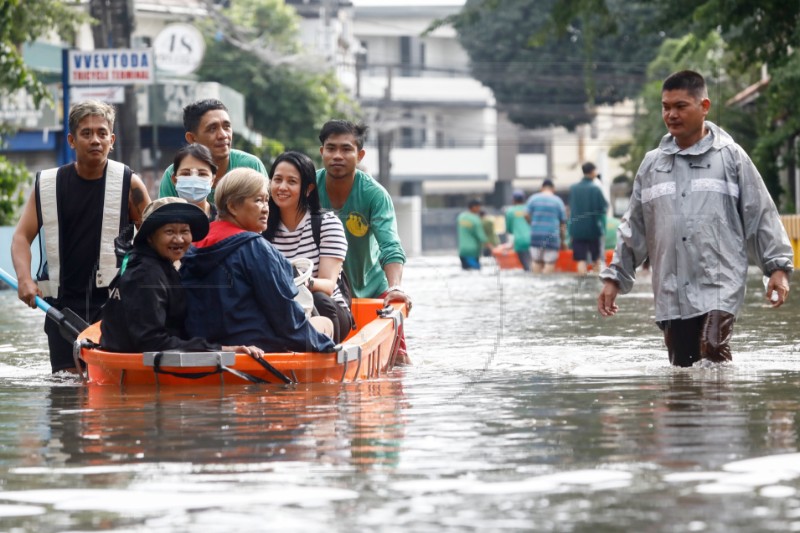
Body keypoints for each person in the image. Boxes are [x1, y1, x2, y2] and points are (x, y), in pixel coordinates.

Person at [597, 69, 794, 367]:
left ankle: (721, 408)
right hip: (671, 287)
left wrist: (777, 267)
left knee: (713, 347)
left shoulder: (731, 157)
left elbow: (760, 213)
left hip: (719, 280)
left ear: (704, 107)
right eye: (666, 107)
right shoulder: (652, 165)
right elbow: (634, 227)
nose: (671, 114)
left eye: (680, 106)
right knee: (682, 367)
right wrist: (615, 279)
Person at [11, 100, 152, 373]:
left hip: (114, 304)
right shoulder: (48, 184)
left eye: (101, 133)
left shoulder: (129, 183)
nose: (95, 140)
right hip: (61, 306)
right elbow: (21, 238)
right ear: (72, 140)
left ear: (112, 140)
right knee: (66, 389)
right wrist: (24, 279)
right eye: (86, 133)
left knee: (110, 385)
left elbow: (153, 239)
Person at [181, 168, 335, 353]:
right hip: (256, 348)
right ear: (232, 206)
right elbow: (285, 317)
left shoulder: (194, 244)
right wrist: (325, 345)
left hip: (208, 347)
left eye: (266, 200)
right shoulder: (255, 247)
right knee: (325, 323)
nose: (266, 208)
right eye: (258, 200)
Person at [100, 197, 263, 357]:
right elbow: (151, 343)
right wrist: (222, 350)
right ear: (150, 237)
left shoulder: (157, 264)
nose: (179, 239)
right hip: (138, 369)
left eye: (184, 231)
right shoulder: (145, 275)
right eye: (169, 231)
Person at [316, 119, 411, 363]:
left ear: (359, 154)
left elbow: (390, 245)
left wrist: (395, 287)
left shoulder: (374, 194)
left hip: (371, 289)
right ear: (321, 152)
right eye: (331, 148)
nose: (337, 155)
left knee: (399, 361)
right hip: (326, 292)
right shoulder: (307, 188)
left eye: (346, 149)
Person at [263, 151, 354, 344]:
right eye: (277, 180)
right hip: (284, 309)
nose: (282, 187)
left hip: (328, 310)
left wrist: (300, 282)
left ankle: (325, 353)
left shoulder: (327, 224)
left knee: (320, 298)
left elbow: (328, 286)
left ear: (308, 189)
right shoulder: (262, 229)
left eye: (292, 182)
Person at [159, 99, 267, 204]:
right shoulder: (175, 174)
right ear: (192, 138)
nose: (223, 135)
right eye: (212, 129)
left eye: (227, 127)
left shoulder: (250, 166)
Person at [569, 162, 609, 274]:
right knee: (596, 259)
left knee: (581, 260)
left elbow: (571, 208)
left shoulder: (573, 188)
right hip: (593, 229)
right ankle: (596, 284)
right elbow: (604, 208)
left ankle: (580, 286)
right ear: (592, 172)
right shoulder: (596, 188)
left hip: (576, 229)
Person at [525, 179, 567, 274]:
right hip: (552, 236)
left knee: (536, 261)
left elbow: (526, 215)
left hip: (536, 235)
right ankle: (547, 284)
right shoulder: (558, 201)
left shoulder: (533, 199)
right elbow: (563, 223)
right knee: (550, 262)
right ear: (553, 189)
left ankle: (536, 284)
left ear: (541, 188)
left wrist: (532, 224)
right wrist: (563, 240)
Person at [169, 143, 217, 220]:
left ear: (212, 180)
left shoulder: (222, 219)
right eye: (186, 173)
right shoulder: (165, 219)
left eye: (202, 174)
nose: (194, 179)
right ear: (174, 180)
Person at [503, 189, 533, 270]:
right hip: (534, 240)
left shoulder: (510, 211)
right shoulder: (529, 209)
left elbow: (509, 230)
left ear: (513, 200)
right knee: (535, 265)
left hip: (520, 241)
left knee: (527, 267)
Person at [457, 198, 488, 270]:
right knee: (476, 271)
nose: (479, 209)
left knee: (466, 272)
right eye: (478, 207)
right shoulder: (475, 219)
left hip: (462, 250)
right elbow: (481, 237)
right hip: (473, 251)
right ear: (473, 207)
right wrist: (492, 248)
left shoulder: (460, 217)